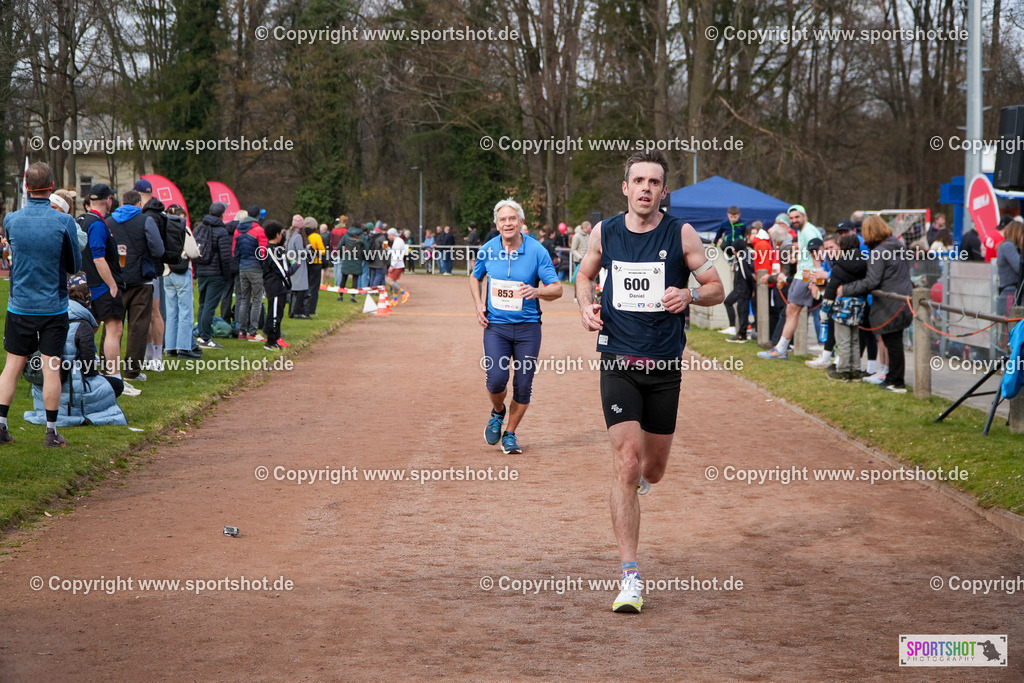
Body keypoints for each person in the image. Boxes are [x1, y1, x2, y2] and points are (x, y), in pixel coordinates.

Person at [575, 150, 724, 613]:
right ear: (625, 187)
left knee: (652, 471)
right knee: (626, 462)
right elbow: (583, 274)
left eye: (653, 182)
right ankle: (630, 576)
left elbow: (717, 287)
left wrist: (690, 293)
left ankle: (644, 481)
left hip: (663, 368)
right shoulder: (606, 232)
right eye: (637, 180)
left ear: (663, 191)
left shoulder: (680, 233)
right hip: (617, 360)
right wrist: (585, 305)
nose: (645, 188)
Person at [470, 198, 562, 455]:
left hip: (527, 329)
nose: (508, 223)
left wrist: (537, 291)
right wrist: (479, 304)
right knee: (496, 379)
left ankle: (509, 433)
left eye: (513, 218)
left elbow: (557, 289)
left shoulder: (537, 251)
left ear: (521, 222)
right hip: (496, 327)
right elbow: (475, 277)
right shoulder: (487, 249)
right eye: (503, 219)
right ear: (497, 224)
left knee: (524, 383)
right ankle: (498, 411)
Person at [0, 162, 82, 447]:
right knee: (51, 367)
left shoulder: (11, 220)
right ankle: (50, 432)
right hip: (53, 307)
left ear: (26, 187)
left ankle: (1, 425)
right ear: (50, 187)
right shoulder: (64, 221)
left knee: (12, 365)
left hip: (20, 305)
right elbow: (74, 264)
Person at [24, 276, 127, 426]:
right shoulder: (82, 325)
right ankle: (82, 412)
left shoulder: (46, 318)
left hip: (42, 389)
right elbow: (88, 368)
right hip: (71, 391)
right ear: (88, 300)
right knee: (117, 384)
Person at [840, 215, 914, 393]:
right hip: (902, 298)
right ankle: (891, 377)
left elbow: (871, 281)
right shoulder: (897, 246)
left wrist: (846, 289)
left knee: (893, 342)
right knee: (892, 341)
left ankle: (897, 381)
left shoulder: (880, 251)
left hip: (892, 302)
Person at [105, 189, 164, 381]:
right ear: (139, 204)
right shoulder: (146, 220)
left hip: (116, 279)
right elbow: (158, 248)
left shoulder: (109, 221)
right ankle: (132, 371)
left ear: (122, 203)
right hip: (141, 279)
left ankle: (108, 367)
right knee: (138, 325)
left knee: (112, 324)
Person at [77, 184, 131, 392]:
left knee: (89, 329)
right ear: (108, 200)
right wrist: (112, 285)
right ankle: (115, 379)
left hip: (83, 284)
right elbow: (99, 258)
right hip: (100, 286)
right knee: (114, 329)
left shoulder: (79, 220)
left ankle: (83, 373)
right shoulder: (98, 224)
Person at [757, 204, 822, 360]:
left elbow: (817, 254)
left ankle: (781, 349)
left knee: (793, 311)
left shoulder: (809, 231)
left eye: (797, 217)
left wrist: (817, 280)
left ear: (804, 215)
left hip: (806, 276)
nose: (794, 220)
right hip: (802, 274)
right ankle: (781, 348)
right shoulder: (802, 232)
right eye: (791, 218)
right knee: (790, 311)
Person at [821, 233, 867, 380]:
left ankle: (843, 370)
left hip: (843, 306)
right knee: (855, 339)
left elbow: (831, 289)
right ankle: (856, 369)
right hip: (859, 305)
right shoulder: (864, 263)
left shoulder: (839, 265)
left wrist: (825, 309)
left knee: (843, 340)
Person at [163, 204, 201, 359]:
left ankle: (170, 347)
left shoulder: (162, 227)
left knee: (171, 312)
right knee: (185, 311)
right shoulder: (182, 228)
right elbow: (194, 251)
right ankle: (184, 347)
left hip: (166, 272)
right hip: (181, 271)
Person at [194, 202, 232, 348]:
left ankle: (202, 334)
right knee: (210, 306)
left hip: (202, 271)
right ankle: (205, 337)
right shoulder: (221, 231)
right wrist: (226, 275)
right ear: (221, 214)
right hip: (216, 273)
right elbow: (225, 257)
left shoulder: (199, 228)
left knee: (203, 305)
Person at [260, 221, 297, 351]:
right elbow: (282, 271)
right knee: (274, 313)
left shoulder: (276, 250)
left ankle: (275, 339)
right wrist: (294, 268)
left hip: (279, 286)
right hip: (275, 286)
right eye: (281, 233)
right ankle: (271, 341)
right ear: (277, 235)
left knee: (278, 313)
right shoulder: (272, 250)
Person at [233, 208, 267, 340]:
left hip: (243, 268)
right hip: (255, 268)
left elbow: (235, 251)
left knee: (243, 299)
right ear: (258, 216)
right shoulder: (259, 230)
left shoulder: (237, 230)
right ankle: (253, 332)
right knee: (257, 299)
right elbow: (262, 252)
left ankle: (242, 331)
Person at [724, 236, 755, 342]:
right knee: (737, 308)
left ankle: (742, 335)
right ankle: (739, 332)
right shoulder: (740, 257)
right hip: (740, 289)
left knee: (743, 311)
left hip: (743, 290)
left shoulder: (743, 258)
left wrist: (752, 290)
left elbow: (747, 275)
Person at [996, 220, 1023, 317]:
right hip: (1010, 296)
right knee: (1011, 329)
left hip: (1011, 295)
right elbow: (1019, 267)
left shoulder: (1008, 247)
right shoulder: (1008, 246)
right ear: (1017, 233)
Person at [286, 215, 310, 319]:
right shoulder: (298, 237)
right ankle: (297, 312)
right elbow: (301, 252)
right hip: (299, 265)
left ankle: (292, 311)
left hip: (292, 262)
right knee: (300, 290)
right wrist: (308, 249)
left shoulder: (289, 235)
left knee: (294, 291)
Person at [338, 223, 366, 302]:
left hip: (347, 258)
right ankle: (352, 297)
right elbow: (366, 249)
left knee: (344, 278)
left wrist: (342, 256)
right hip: (357, 259)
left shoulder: (346, 235)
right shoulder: (362, 236)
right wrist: (363, 257)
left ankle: (340, 296)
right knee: (355, 278)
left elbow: (339, 246)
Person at [305, 217, 325, 315]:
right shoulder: (316, 236)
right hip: (315, 263)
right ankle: (311, 309)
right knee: (313, 287)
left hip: (305, 263)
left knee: (306, 285)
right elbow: (322, 250)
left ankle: (304, 306)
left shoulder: (303, 236)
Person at [386, 227, 409, 304]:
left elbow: (397, 254)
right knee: (394, 281)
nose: (388, 237)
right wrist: (387, 249)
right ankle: (395, 300)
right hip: (398, 264)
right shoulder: (398, 241)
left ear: (392, 235)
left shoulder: (398, 242)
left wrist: (392, 265)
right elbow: (394, 252)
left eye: (389, 235)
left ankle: (404, 293)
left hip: (396, 265)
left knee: (389, 280)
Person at [365, 224, 389, 289]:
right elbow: (385, 248)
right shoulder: (382, 237)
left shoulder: (369, 236)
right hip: (379, 259)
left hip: (370, 257)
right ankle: (374, 289)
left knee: (372, 275)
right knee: (379, 274)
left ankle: (371, 288)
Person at [330, 216, 349, 286]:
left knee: (336, 267)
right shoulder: (345, 231)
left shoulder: (334, 230)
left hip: (334, 251)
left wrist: (331, 250)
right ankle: (338, 283)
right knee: (340, 267)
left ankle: (336, 282)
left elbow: (331, 241)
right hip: (341, 251)